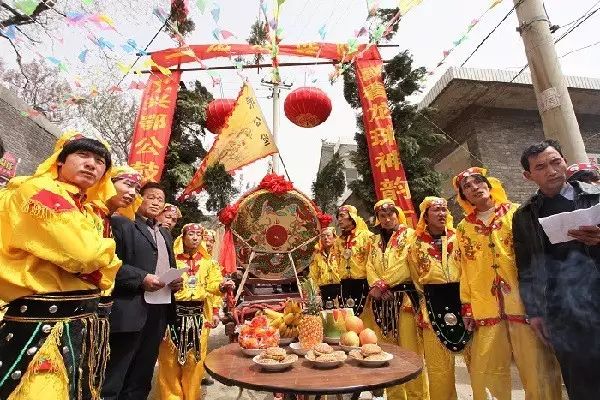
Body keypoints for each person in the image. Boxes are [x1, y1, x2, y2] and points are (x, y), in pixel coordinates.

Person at [0, 131, 121, 399]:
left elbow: (106, 275)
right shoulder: (40, 191)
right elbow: (84, 254)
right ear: (59, 161)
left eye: (101, 161)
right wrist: (106, 250)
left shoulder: (87, 209)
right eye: (83, 155)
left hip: (80, 323)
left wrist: (97, 257)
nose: (92, 164)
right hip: (43, 326)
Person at [451, 167, 561, 400]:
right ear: (463, 197)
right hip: (485, 306)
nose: (474, 188)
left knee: (537, 368)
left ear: (489, 184)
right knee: (487, 371)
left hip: (523, 303)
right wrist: (467, 304)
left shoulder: (517, 213)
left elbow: (535, 255)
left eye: (478, 182)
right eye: (467, 187)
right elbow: (465, 269)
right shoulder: (463, 228)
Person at [513, 140, 600, 400]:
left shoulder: (596, 196)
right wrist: (535, 312)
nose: (551, 170)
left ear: (564, 161)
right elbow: (525, 265)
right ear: (528, 176)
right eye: (540, 167)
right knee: (580, 381)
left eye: (555, 161)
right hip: (563, 311)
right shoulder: (524, 215)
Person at [102, 182, 183, 400]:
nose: (156, 202)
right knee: (115, 375)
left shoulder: (165, 235)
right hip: (131, 309)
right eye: (151, 197)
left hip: (159, 312)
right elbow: (108, 264)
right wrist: (141, 278)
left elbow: (168, 267)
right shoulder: (122, 224)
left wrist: (175, 282)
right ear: (139, 198)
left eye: (160, 199)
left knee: (142, 374)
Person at [157, 223, 232, 399]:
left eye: (199, 234)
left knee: (194, 361)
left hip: (197, 317)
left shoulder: (209, 263)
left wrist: (221, 285)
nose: (196, 237)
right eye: (191, 234)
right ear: (182, 237)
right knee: (169, 361)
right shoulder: (170, 260)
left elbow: (213, 285)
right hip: (172, 315)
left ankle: (192, 396)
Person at [408, 197, 470, 400]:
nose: (442, 214)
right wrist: (423, 305)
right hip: (432, 307)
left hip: (464, 302)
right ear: (425, 215)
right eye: (436, 210)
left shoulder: (458, 237)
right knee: (438, 368)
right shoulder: (415, 245)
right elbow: (416, 278)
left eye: (444, 210)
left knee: (477, 363)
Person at [366, 198, 428, 400]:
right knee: (387, 353)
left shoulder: (409, 236)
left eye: (390, 214)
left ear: (397, 214)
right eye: (382, 216)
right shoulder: (375, 241)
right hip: (380, 302)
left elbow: (404, 264)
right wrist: (376, 285)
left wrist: (383, 283)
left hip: (404, 299)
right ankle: (395, 397)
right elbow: (369, 266)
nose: (386, 219)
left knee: (410, 353)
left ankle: (417, 396)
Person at [336, 204, 373, 317]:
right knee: (346, 316)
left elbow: (372, 260)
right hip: (344, 283)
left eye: (342, 216)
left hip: (362, 282)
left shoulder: (367, 236)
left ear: (351, 217)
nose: (339, 219)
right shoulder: (338, 241)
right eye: (338, 216)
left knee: (362, 315)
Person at [308, 227, 342, 309]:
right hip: (324, 289)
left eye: (328, 235)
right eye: (323, 236)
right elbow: (313, 275)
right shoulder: (317, 256)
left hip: (340, 287)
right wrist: (314, 293)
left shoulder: (340, 252)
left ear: (334, 237)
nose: (325, 238)